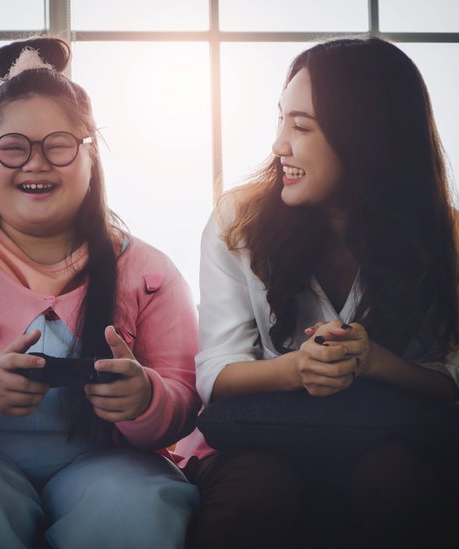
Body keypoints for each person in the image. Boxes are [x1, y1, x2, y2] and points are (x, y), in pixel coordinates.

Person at [0, 37, 201, 549]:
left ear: (91, 159)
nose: (36, 163)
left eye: (59, 145)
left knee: (136, 505)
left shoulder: (149, 270)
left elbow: (184, 398)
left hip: (108, 463)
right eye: (14, 147)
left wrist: (144, 398)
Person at [176, 36, 459, 549]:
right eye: (280, 121)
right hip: (267, 437)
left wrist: (373, 362)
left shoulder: (446, 238)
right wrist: (296, 369)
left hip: (395, 437)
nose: (279, 145)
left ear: (366, 136)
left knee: (397, 481)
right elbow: (216, 374)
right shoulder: (236, 224)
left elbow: (452, 380)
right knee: (255, 491)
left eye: (301, 126)